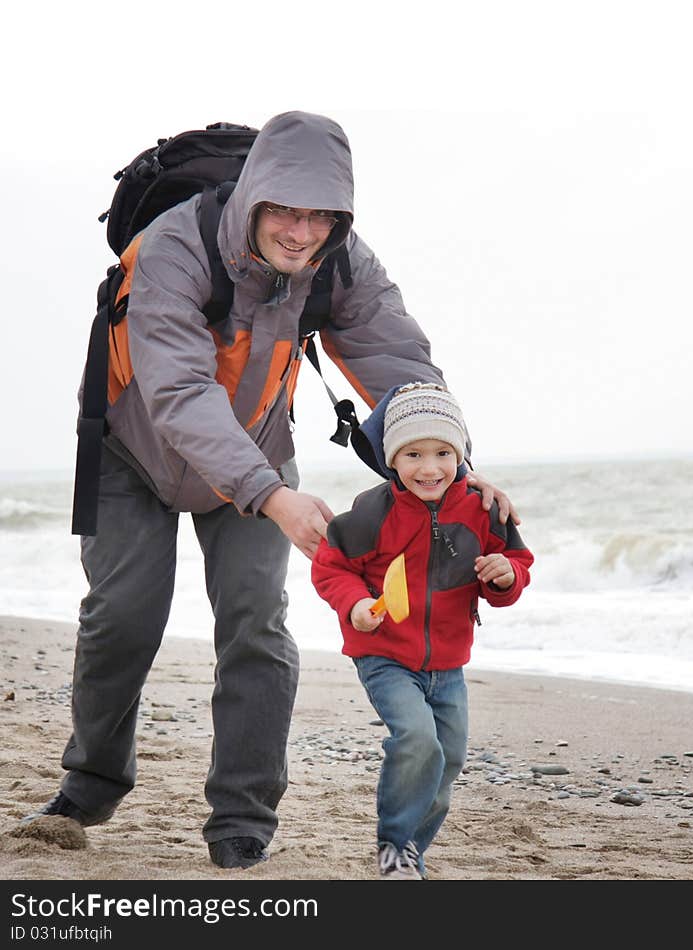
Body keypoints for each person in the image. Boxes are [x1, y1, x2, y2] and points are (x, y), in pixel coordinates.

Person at [24, 112, 518, 870]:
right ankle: (91, 783)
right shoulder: (172, 249)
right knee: (123, 618)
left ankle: (241, 817)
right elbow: (180, 394)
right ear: (253, 195)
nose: (301, 229)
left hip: (256, 443)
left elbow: (399, 362)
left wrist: (457, 457)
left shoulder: (343, 262)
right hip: (136, 450)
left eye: (320, 214)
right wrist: (273, 495)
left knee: (256, 623)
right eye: (286, 210)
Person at [311, 382, 533, 879]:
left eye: (442, 453)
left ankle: (412, 850)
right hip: (384, 654)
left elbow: (516, 567)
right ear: (392, 457)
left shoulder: (482, 510)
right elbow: (331, 567)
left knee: (449, 758)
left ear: (461, 455)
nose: (429, 468)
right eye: (413, 454)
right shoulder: (373, 511)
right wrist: (356, 606)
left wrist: (505, 576)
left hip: (448, 662)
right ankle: (392, 846)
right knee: (417, 740)